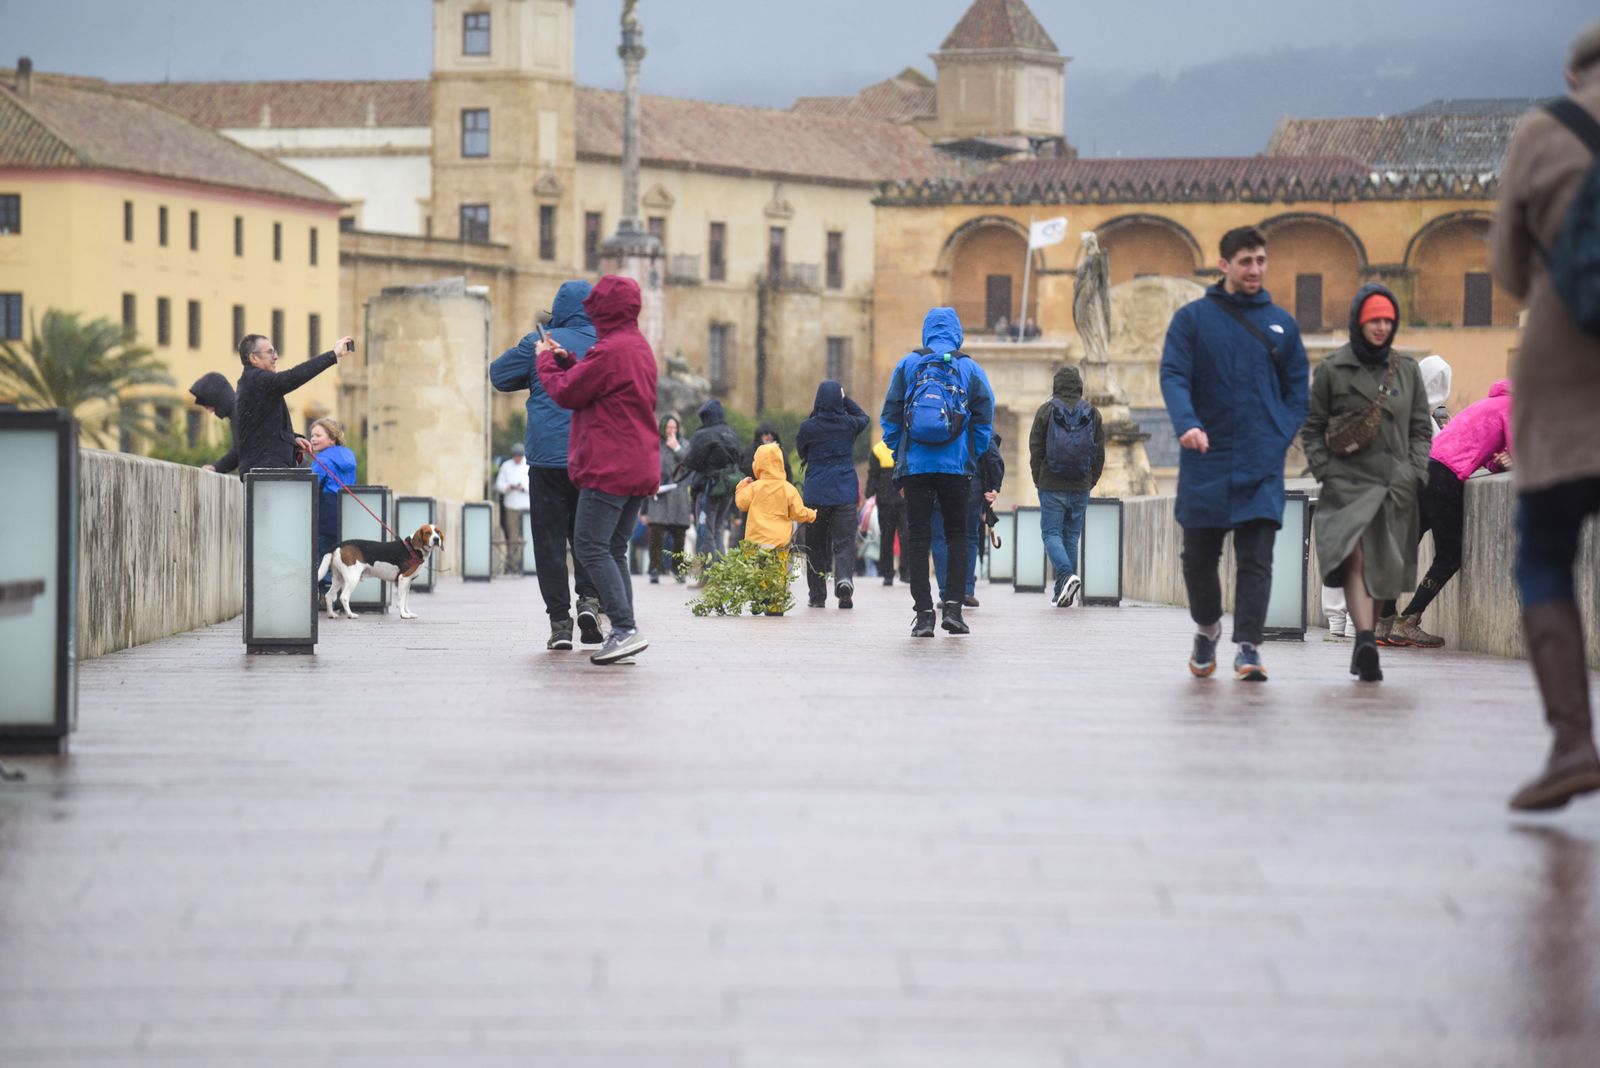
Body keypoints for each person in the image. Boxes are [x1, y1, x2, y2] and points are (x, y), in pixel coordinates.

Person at [1492, 20, 1600, 811]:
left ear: (1575, 72)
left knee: (1545, 554)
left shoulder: (1545, 130)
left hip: (1565, 367)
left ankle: (1571, 742)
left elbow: (1505, 269)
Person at [1159, 225, 1310, 681]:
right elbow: (1174, 375)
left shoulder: (1281, 325)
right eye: (1246, 261)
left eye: (1261, 260)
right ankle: (1207, 629)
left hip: (1260, 462)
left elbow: (1297, 392)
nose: (1255, 269)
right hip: (1205, 457)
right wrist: (1187, 423)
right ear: (1224, 265)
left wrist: (1276, 436)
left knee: (1257, 558)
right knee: (1198, 559)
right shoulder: (1192, 320)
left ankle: (1249, 648)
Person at [1300, 285, 1432, 683]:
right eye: (1374, 319)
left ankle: (1366, 636)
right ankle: (1365, 640)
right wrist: (1326, 470)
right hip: (1347, 482)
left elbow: (1421, 429)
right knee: (1356, 558)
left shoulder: (1406, 370)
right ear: (1359, 320)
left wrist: (1414, 473)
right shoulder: (1332, 369)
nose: (1381, 326)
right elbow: (1312, 429)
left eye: (1388, 320)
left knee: (1380, 568)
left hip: (1394, 484)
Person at [536, 275, 659, 666]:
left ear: (604, 309)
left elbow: (568, 393)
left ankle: (624, 629)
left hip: (610, 464)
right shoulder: (636, 347)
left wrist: (543, 359)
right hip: (639, 462)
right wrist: (567, 360)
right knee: (615, 548)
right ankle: (626, 631)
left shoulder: (611, 350)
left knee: (589, 545)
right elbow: (595, 383)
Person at [490, 280, 604, 651]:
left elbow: (499, 375)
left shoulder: (540, 341)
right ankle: (588, 600)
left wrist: (534, 366)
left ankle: (559, 622)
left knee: (549, 540)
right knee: (587, 537)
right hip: (592, 457)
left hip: (546, 458)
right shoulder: (604, 343)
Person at [880, 307, 995, 638]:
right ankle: (954, 611)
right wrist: (971, 454)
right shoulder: (968, 368)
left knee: (918, 538)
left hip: (917, 467)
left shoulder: (909, 364)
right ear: (958, 332)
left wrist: (900, 452)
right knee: (958, 535)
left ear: (926, 331)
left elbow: (890, 414)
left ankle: (925, 615)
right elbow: (985, 414)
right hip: (956, 468)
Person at [1380, 378, 1513, 649]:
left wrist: (1500, 462)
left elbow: (1483, 454)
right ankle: (1408, 622)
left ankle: (1384, 621)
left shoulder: (1486, 404)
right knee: (1450, 556)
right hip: (1443, 477)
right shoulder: (1515, 406)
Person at [1029, 364, 1105, 607]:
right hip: (1081, 484)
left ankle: (1065, 576)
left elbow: (1036, 449)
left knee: (1051, 533)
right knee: (1071, 537)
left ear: (1056, 387)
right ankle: (1062, 592)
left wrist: (1037, 478)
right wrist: (1091, 480)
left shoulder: (1046, 411)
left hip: (1051, 483)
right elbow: (1099, 452)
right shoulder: (1092, 413)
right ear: (1079, 386)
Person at [232, 332, 350, 476]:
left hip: (266, 470)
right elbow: (293, 377)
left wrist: (292, 439)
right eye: (270, 352)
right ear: (253, 358)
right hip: (265, 472)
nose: (275, 357)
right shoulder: (256, 380)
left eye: (274, 352)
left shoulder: (255, 383)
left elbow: (264, 428)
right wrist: (332, 355)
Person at [796, 379, 869, 608]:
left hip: (817, 493)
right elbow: (864, 417)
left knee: (815, 545)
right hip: (844, 491)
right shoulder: (849, 424)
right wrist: (844, 398)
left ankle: (817, 595)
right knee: (844, 542)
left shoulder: (808, 427)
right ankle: (844, 581)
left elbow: (801, 450)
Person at [734, 441, 817, 614]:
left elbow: (741, 503)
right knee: (778, 575)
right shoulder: (788, 489)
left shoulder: (755, 488)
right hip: (779, 543)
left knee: (756, 571)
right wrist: (812, 515)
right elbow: (798, 512)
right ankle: (775, 606)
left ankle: (758, 597)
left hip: (755, 542)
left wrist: (741, 486)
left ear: (758, 465)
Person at [931, 432, 1004, 607]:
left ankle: (946, 592)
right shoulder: (975, 417)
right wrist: (994, 486)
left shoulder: (933, 413)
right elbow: (994, 457)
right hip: (970, 487)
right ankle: (966, 589)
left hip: (937, 486)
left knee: (940, 539)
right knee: (969, 537)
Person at [677, 398, 743, 566]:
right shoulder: (731, 433)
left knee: (705, 529)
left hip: (708, 488)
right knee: (718, 528)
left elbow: (690, 461)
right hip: (728, 489)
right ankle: (720, 575)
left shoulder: (702, 435)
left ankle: (708, 574)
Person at [306, 417, 357, 600]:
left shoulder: (322, 460)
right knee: (340, 555)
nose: (313, 439)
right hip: (345, 510)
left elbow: (312, 485)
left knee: (323, 553)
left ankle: (325, 596)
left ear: (332, 438)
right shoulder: (349, 457)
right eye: (312, 435)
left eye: (318, 435)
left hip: (326, 511)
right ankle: (340, 594)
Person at [645, 414, 692, 584]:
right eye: (668, 428)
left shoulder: (685, 444)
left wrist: (677, 448)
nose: (671, 431)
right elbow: (647, 466)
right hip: (659, 495)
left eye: (674, 428)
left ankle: (678, 569)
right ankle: (655, 569)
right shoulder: (654, 445)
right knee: (656, 533)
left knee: (679, 536)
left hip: (679, 495)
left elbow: (690, 464)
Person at [863, 438, 906, 585]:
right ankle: (906, 572)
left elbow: (873, 475)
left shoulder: (878, 450)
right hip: (903, 500)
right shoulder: (905, 445)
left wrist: (869, 492)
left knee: (887, 537)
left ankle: (888, 574)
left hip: (885, 500)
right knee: (905, 536)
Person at [188, 372, 239, 474]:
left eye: (209, 405)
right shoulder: (238, 410)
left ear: (217, 398)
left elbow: (240, 451)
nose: (211, 411)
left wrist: (216, 468)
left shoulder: (238, 413)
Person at [494, 443, 531, 574]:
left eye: (519, 456)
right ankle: (514, 566)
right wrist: (507, 487)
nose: (517, 459)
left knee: (528, 535)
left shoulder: (528, 464)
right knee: (513, 536)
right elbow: (499, 484)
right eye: (515, 456)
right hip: (512, 506)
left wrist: (523, 488)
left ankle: (529, 565)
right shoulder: (506, 466)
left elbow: (533, 483)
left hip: (526, 505)